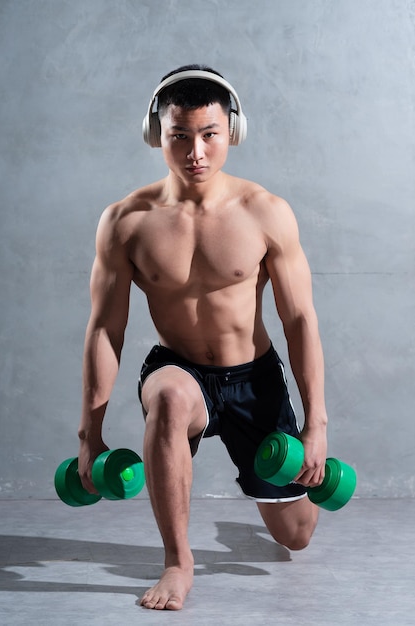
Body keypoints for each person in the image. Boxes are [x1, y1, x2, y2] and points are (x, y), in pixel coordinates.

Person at [77, 64, 328, 611]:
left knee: (297, 533)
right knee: (167, 397)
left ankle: (275, 509)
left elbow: (299, 320)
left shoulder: (265, 212)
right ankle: (178, 562)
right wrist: (88, 434)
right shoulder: (125, 221)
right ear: (156, 135)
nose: (196, 151)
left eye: (210, 135)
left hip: (254, 379)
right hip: (179, 369)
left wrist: (316, 426)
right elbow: (106, 328)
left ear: (231, 131)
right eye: (180, 136)